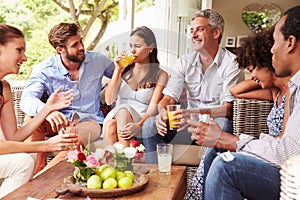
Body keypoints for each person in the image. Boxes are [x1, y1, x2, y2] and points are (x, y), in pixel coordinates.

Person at [187, 5, 300, 199]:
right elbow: (236, 92)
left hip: (290, 173)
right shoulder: (293, 88)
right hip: (284, 163)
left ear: (290, 42)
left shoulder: (292, 90)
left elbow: (288, 153)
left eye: (274, 41)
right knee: (220, 154)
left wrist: (229, 139)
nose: (271, 50)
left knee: (226, 166)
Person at [142, 9, 244, 164]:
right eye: (191, 31)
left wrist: (193, 112)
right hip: (188, 127)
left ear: (216, 33)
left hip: (213, 125)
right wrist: (162, 112)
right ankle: (158, 178)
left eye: (200, 30)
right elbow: (168, 98)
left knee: (223, 124)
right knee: (150, 125)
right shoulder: (184, 62)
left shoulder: (232, 64)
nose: (193, 35)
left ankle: (204, 180)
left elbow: (228, 109)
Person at [20, 22, 115, 174]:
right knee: (31, 120)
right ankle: (38, 169)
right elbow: (27, 99)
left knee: (70, 141)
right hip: (58, 121)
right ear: (60, 50)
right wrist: (48, 111)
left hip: (87, 121)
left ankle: (41, 179)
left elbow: (125, 75)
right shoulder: (45, 69)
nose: (82, 47)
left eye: (81, 41)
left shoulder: (99, 61)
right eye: (75, 45)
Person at [0, 24, 78, 198]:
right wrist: (45, 145)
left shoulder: (4, 87)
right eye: (19, 50)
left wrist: (47, 108)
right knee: (23, 162)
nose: (24, 58)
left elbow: (13, 137)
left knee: (27, 159)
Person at [102, 26, 168, 147]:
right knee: (112, 122)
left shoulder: (161, 75)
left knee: (116, 119)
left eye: (137, 46)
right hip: (118, 117)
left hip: (141, 121)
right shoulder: (123, 70)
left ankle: (123, 162)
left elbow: (153, 108)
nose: (132, 51)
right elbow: (109, 100)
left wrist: (139, 125)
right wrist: (117, 70)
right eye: (131, 46)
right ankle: (125, 161)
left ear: (151, 47)